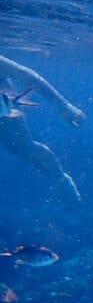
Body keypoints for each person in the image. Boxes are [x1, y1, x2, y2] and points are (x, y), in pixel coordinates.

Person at [0, 55, 85, 203]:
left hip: (3, 101)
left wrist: (63, 106)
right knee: (19, 146)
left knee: (20, 145)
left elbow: (26, 76)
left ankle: (60, 178)